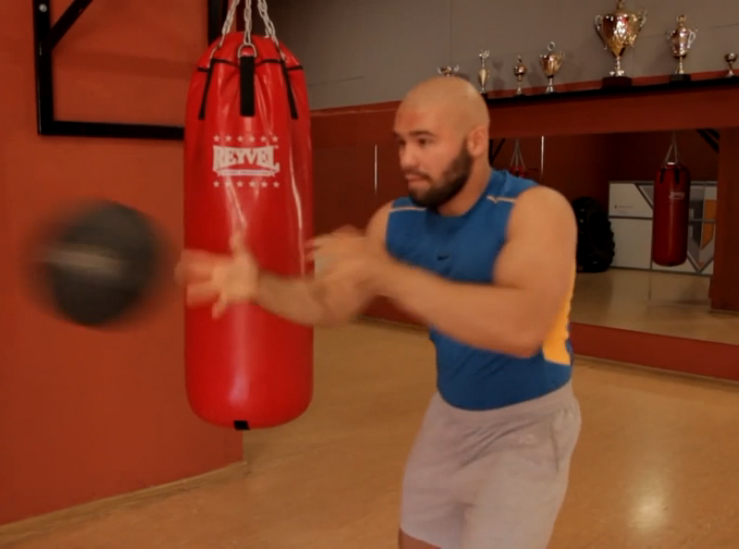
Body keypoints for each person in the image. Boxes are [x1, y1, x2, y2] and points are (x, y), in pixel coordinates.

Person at [176, 75, 582, 549]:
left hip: (529, 427)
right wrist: (257, 285)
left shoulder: (535, 210)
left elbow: (521, 328)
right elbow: (329, 304)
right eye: (401, 144)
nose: (407, 159)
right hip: (450, 418)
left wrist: (385, 273)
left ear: (476, 140)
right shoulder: (397, 221)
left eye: (424, 142)